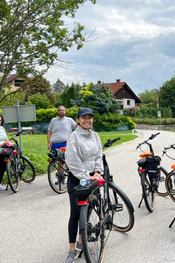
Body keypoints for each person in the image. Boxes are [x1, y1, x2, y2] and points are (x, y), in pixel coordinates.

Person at [64, 107, 103, 263]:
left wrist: (98, 171)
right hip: (77, 179)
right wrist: (86, 176)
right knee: (75, 214)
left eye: (90, 117)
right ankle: (72, 250)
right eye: (84, 118)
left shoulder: (95, 136)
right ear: (78, 120)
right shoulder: (74, 137)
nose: (87, 120)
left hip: (93, 178)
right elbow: (72, 160)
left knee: (88, 211)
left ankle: (82, 240)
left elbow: (99, 155)